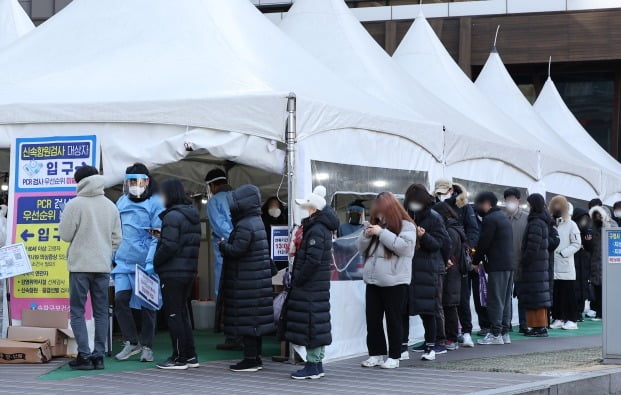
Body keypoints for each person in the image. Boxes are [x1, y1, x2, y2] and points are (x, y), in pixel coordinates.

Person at [59, 166, 122, 370]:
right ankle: (99, 356)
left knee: (77, 311)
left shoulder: (75, 204)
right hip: (102, 266)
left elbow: (66, 235)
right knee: (101, 312)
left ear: (79, 181)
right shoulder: (110, 206)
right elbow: (117, 239)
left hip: (79, 266)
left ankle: (84, 356)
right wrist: (104, 251)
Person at [218, 185, 273, 372]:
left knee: (248, 321)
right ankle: (255, 357)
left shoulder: (245, 225)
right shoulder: (256, 222)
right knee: (255, 322)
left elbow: (237, 251)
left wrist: (223, 246)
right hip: (256, 281)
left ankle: (250, 360)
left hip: (246, 282)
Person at [112, 163, 164, 362]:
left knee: (147, 306)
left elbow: (157, 235)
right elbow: (115, 232)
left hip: (145, 263)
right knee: (120, 300)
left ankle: (148, 346)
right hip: (124, 262)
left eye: (138, 181)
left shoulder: (155, 203)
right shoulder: (121, 202)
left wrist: (151, 261)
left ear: (147, 182)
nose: (134, 185)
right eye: (131, 181)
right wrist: (111, 258)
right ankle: (131, 341)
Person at [285, 186, 338, 379]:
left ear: (314, 208)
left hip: (311, 285)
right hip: (317, 285)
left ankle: (312, 365)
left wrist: (298, 278)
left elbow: (312, 261)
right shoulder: (321, 227)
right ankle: (316, 364)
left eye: (307, 207)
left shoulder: (315, 229)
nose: (305, 210)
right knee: (317, 322)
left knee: (311, 323)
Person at [359, 192, 415, 370]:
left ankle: (394, 356)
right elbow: (360, 249)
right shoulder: (375, 225)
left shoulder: (406, 225)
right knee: (372, 319)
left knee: (393, 319)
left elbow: (405, 248)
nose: (379, 214)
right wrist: (367, 234)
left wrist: (382, 233)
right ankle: (375, 354)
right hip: (373, 280)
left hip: (395, 281)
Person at [154, 179, 201, 370]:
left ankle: (179, 357)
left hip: (172, 272)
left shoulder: (172, 216)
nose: (161, 198)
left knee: (174, 314)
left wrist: (156, 259)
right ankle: (189, 355)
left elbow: (169, 246)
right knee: (181, 314)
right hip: (188, 270)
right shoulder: (191, 214)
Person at [404, 184, 449, 361]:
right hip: (413, 267)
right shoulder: (406, 216)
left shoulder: (434, 217)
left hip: (431, 267)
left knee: (432, 307)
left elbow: (440, 243)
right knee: (417, 306)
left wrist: (424, 236)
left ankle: (438, 341)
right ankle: (427, 341)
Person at [433, 179, 479, 347]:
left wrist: (467, 248)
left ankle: (466, 331)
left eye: (444, 190)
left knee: (462, 297)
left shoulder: (464, 206)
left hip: (460, 258)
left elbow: (473, 230)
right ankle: (447, 334)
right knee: (444, 298)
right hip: (443, 257)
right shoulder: (434, 204)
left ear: (451, 189)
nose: (441, 194)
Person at [472, 192, 514, 345]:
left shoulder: (490, 219)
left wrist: (475, 261)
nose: (478, 207)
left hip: (497, 265)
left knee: (495, 299)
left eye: (479, 204)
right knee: (505, 299)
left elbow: (484, 242)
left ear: (486, 204)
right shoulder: (504, 217)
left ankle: (495, 333)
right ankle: (504, 333)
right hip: (508, 264)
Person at [204, 168, 238, 350]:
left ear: (213, 185)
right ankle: (241, 335)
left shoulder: (213, 202)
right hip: (243, 251)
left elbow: (220, 227)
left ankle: (231, 336)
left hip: (225, 252)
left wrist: (232, 240)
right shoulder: (237, 197)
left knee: (224, 293)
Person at [433, 202, 465, 352]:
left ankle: (451, 338)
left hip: (451, 272)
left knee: (449, 304)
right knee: (448, 304)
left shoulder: (451, 230)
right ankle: (448, 337)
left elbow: (447, 250)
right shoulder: (454, 228)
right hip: (452, 272)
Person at [519, 194, 551, 337]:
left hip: (534, 266)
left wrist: (524, 260)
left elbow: (533, 246)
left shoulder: (536, 222)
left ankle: (539, 327)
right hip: (540, 265)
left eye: (530, 204)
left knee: (535, 297)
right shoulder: (543, 220)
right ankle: (538, 326)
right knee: (538, 296)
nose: (528, 207)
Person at [548, 196, 582, 331]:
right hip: (553, 266)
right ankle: (558, 318)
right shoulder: (551, 223)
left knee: (568, 295)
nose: (556, 208)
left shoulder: (571, 224)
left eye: (558, 205)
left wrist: (563, 253)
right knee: (556, 294)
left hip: (565, 266)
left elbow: (577, 243)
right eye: (554, 205)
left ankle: (572, 319)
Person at [503, 188, 529, 334]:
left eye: (513, 200)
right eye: (507, 200)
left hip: (522, 262)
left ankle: (523, 323)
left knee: (523, 295)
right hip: (506, 263)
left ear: (519, 201)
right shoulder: (502, 218)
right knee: (505, 296)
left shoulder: (527, 218)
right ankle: (507, 323)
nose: (510, 203)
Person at [589, 205, 615, 320]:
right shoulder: (594, 227)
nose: (598, 217)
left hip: (608, 263)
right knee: (598, 290)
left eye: (600, 214)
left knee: (608, 290)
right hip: (596, 262)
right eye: (596, 215)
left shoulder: (612, 225)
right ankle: (599, 313)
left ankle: (608, 313)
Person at [572, 208, 593, 321]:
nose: (584, 221)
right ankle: (575, 312)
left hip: (584, 263)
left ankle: (580, 312)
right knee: (574, 289)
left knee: (583, 288)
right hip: (574, 263)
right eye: (582, 218)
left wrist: (586, 243)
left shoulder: (588, 231)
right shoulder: (573, 229)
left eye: (586, 219)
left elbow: (590, 247)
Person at [261, 196, 288, 270]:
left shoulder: (284, 219)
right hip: (268, 255)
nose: (274, 207)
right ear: (267, 206)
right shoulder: (262, 219)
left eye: (276, 205)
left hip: (282, 257)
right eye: (271, 205)